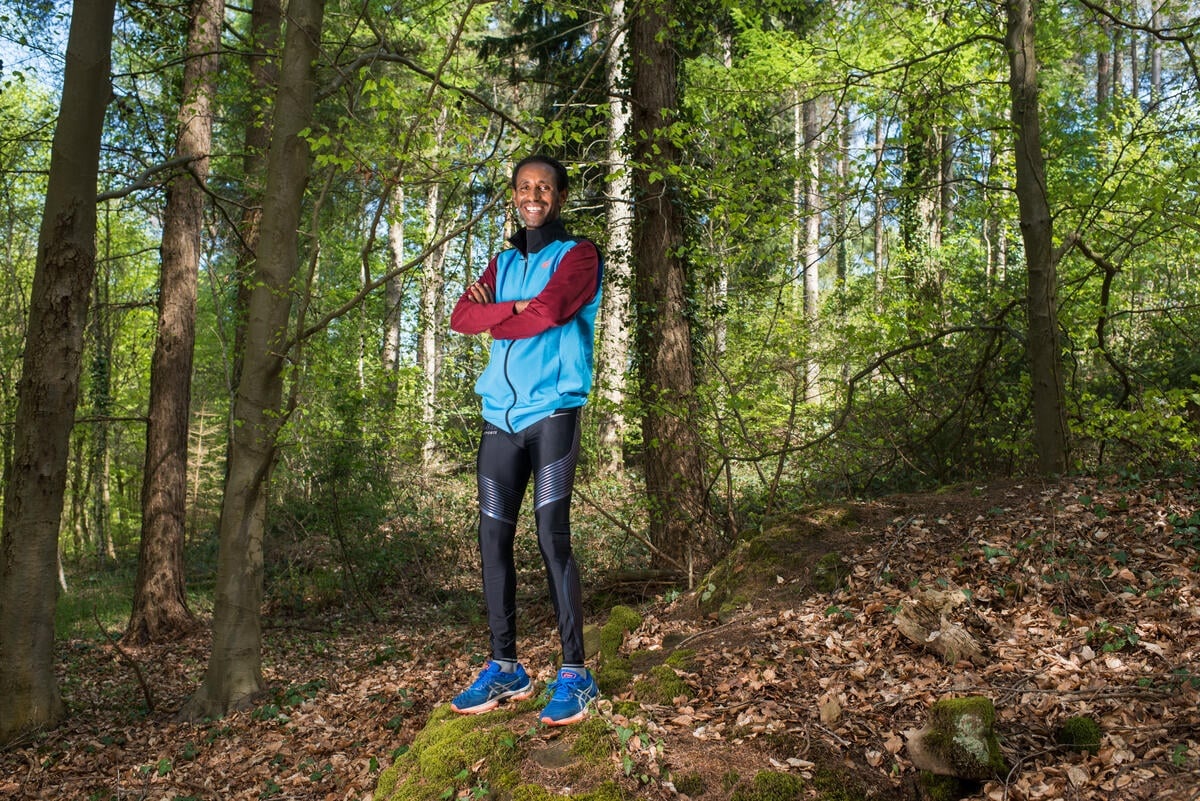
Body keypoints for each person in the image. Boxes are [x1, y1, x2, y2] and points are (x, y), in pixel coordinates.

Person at [447, 154, 602, 726]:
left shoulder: (579, 255)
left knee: (551, 537)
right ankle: (506, 667)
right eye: (524, 187)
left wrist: (497, 316)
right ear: (514, 195)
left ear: (559, 196)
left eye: (544, 187)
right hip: (499, 419)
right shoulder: (503, 262)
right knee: (492, 539)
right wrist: (513, 308)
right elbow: (461, 317)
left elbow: (552, 312)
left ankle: (576, 673)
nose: (533, 195)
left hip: (553, 412)